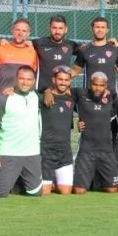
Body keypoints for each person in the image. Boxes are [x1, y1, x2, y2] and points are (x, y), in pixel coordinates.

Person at [0, 65, 43, 198]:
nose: (25, 82)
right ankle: (2, 176)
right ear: (16, 79)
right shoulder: (4, 98)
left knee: (36, 193)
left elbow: (53, 94)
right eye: (22, 79)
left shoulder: (36, 97)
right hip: (9, 153)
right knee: (0, 193)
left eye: (29, 79)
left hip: (32, 153)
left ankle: (16, 180)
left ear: (33, 81)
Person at [72, 72, 118, 194]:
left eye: (101, 85)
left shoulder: (112, 98)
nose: (98, 88)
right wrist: (48, 91)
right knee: (79, 191)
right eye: (95, 84)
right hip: (86, 150)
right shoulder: (80, 94)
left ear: (106, 86)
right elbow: (62, 91)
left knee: (112, 190)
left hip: (106, 151)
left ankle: (97, 181)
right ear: (89, 84)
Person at [39, 66, 77, 195]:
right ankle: (48, 181)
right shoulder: (43, 98)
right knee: (45, 192)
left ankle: (54, 180)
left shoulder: (72, 99)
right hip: (46, 150)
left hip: (65, 151)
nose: (63, 83)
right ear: (53, 80)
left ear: (70, 81)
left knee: (66, 192)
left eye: (66, 80)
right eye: (60, 79)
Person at [33, 15, 80, 93]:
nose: (57, 31)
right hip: (41, 92)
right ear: (49, 28)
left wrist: (75, 72)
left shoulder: (71, 45)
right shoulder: (38, 43)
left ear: (66, 29)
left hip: (62, 92)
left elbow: (87, 53)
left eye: (60, 28)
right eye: (54, 28)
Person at [72, 16, 118, 92]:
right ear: (91, 29)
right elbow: (75, 71)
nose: (100, 30)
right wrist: (57, 78)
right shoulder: (84, 50)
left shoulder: (115, 49)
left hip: (110, 95)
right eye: (97, 27)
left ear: (107, 30)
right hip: (89, 94)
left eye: (103, 27)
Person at [0, 18, 38, 93]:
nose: (20, 33)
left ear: (28, 33)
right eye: (17, 30)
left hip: (24, 96)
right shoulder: (1, 48)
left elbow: (33, 77)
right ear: (12, 31)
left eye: (24, 31)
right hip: (3, 95)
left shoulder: (32, 52)